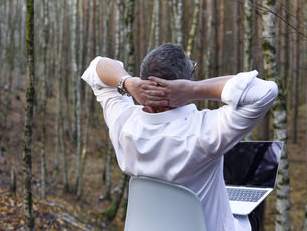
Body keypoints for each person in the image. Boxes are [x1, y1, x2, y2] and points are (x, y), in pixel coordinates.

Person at [81, 43, 278, 231]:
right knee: (252, 202)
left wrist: (128, 83)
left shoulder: (124, 124)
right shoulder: (203, 132)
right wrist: (193, 90)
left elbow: (96, 67)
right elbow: (266, 91)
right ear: (183, 83)